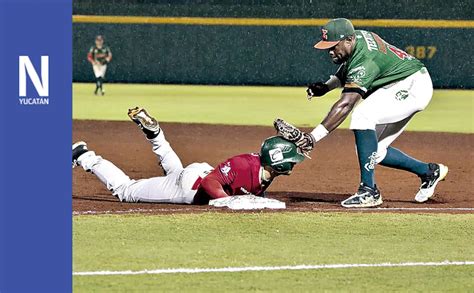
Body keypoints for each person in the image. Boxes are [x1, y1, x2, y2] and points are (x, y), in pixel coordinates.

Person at [298, 18, 448, 208]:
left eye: (334, 46)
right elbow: (350, 67)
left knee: (362, 116)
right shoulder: (356, 39)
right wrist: (327, 86)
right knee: (374, 151)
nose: (330, 51)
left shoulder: (366, 58)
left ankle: (368, 191)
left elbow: (346, 104)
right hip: (401, 82)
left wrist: (313, 137)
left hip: (412, 86)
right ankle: (428, 172)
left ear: (348, 40)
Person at [72, 107, 305, 205]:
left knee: (174, 172)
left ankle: (155, 135)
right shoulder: (244, 164)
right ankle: (84, 155)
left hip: (193, 175)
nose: (294, 164)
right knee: (126, 191)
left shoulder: (265, 169)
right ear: (278, 163)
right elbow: (211, 182)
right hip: (191, 187)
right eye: (291, 161)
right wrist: (226, 202)